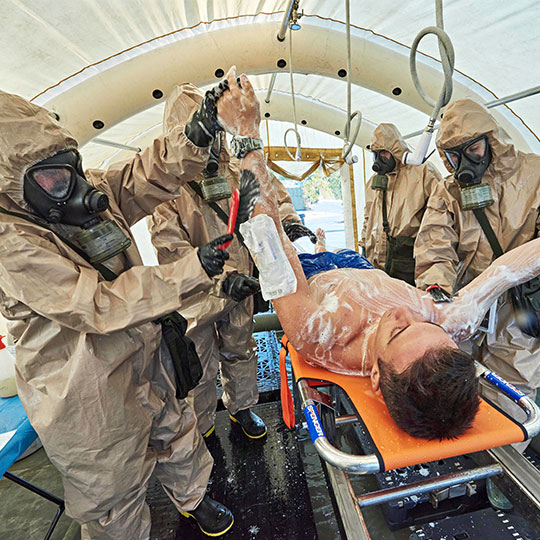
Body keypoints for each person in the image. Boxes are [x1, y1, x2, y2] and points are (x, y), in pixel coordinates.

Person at [0, 67, 259, 539]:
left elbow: (145, 177)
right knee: (111, 482)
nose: (78, 188)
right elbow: (94, 304)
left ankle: (194, 499)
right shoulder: (11, 242)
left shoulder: (82, 191)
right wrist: (194, 270)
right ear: (12, 188)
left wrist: (196, 134)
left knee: (174, 429)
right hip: (85, 382)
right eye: (55, 179)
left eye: (72, 167)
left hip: (144, 346)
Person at [216, 72, 540, 440]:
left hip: (316, 273)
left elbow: (266, 237)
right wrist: (445, 301)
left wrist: (246, 135)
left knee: (295, 234)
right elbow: (504, 270)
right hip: (363, 265)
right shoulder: (451, 322)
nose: (405, 313)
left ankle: (312, 240)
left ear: (374, 375)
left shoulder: (321, 333)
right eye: (428, 325)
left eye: (398, 330)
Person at [149, 83, 312, 440]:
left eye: (216, 135)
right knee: (200, 362)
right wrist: (218, 278)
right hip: (198, 293)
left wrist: (291, 223)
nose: (211, 146)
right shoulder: (167, 188)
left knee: (241, 349)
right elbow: (170, 248)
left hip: (241, 284)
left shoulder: (236, 168)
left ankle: (242, 409)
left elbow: (273, 196)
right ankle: (203, 422)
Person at [414, 98, 540, 414]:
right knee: (458, 384)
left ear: (490, 140)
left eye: (474, 151)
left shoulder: (534, 175)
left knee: (512, 392)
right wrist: (438, 297)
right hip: (465, 305)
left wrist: (502, 280)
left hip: (519, 310)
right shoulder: (448, 191)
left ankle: (510, 450)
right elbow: (434, 246)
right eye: (454, 157)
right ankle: (470, 448)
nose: (465, 163)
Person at [360, 123, 442, 285]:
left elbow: (440, 220)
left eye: (384, 153)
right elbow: (368, 217)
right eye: (376, 154)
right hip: (375, 262)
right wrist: (363, 245)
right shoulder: (373, 182)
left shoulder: (422, 173)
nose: (379, 159)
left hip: (407, 261)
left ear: (395, 150)